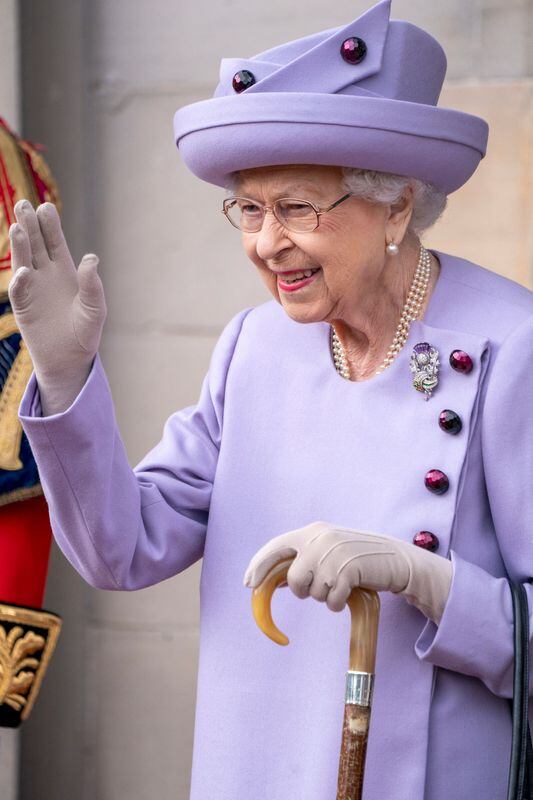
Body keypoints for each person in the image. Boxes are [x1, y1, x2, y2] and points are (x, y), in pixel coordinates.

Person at [8, 0, 533, 797]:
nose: (264, 242)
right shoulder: (253, 345)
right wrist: (65, 374)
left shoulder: (512, 345)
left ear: (395, 205)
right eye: (248, 209)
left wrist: (426, 581)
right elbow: (121, 549)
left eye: (296, 208)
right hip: (250, 770)